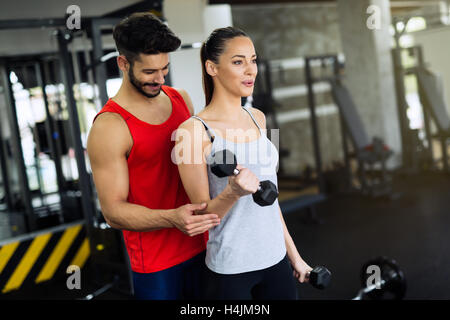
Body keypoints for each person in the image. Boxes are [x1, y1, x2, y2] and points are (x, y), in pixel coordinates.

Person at [86, 12, 220, 300]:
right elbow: (113, 211)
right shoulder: (109, 127)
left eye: (164, 69)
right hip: (158, 263)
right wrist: (172, 218)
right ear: (123, 63)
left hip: (206, 243)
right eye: (149, 72)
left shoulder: (180, 98)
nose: (159, 78)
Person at [174, 26, 313, 300]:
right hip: (232, 269)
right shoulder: (193, 131)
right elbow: (202, 218)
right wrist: (232, 192)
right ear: (211, 67)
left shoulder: (257, 118)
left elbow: (270, 200)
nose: (251, 70)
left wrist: (294, 256)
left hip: (275, 261)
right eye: (238, 62)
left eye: (253, 60)